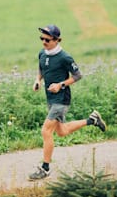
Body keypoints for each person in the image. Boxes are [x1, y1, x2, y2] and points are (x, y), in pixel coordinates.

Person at [29, 24, 106, 181]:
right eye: (42, 38)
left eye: (47, 39)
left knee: (46, 131)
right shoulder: (42, 54)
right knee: (62, 131)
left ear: (57, 40)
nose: (44, 42)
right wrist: (37, 80)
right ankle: (92, 120)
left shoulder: (65, 57)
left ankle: (45, 168)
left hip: (61, 98)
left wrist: (60, 85)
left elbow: (78, 75)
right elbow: (41, 69)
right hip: (50, 98)